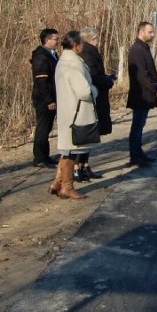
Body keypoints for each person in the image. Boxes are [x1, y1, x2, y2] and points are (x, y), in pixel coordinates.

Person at [48, 30, 98, 200]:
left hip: (67, 110)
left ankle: (57, 182)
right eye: (81, 43)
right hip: (76, 112)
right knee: (70, 151)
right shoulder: (73, 63)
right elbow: (84, 91)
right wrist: (94, 90)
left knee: (67, 149)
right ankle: (66, 187)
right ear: (76, 45)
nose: (83, 46)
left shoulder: (64, 60)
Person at [76, 26, 116, 181]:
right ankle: (78, 167)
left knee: (92, 135)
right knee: (87, 134)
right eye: (96, 39)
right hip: (93, 98)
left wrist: (107, 78)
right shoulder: (88, 54)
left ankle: (85, 166)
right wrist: (107, 81)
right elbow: (92, 76)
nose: (98, 42)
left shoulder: (90, 53)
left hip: (97, 97)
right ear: (90, 39)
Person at [126, 21, 157, 167]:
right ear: (141, 32)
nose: (152, 35)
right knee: (137, 125)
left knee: (140, 125)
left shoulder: (144, 47)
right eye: (150, 32)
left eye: (152, 32)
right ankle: (135, 156)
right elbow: (141, 75)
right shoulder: (137, 49)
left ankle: (138, 153)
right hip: (140, 95)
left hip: (145, 94)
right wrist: (155, 87)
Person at [30, 28, 60, 168]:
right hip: (43, 100)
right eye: (55, 39)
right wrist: (49, 100)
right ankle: (39, 158)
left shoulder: (52, 54)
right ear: (47, 40)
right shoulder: (41, 57)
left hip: (51, 97)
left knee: (47, 128)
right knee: (42, 128)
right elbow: (41, 81)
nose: (57, 42)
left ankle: (45, 156)